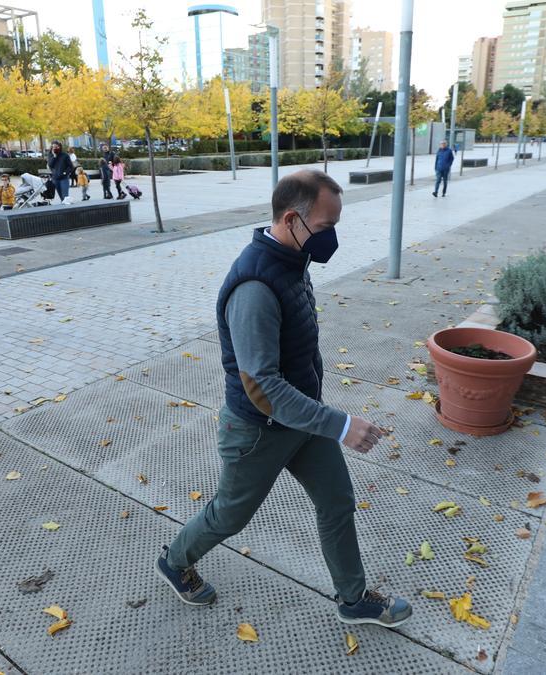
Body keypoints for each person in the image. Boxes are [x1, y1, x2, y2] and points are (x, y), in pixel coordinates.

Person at [155, 169, 413, 629]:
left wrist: (320, 417)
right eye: (326, 226)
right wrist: (339, 424)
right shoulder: (254, 288)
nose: (332, 237)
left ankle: (353, 599)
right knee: (229, 515)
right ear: (292, 219)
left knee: (337, 500)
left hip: (302, 420)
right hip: (257, 431)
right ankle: (176, 561)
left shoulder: (291, 261)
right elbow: (263, 387)